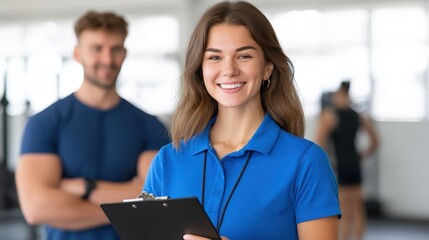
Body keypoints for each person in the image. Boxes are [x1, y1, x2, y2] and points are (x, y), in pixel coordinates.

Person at [143, 1, 341, 239]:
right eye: (215, 57)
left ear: (267, 67)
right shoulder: (168, 161)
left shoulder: (306, 161)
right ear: (200, 69)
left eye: (244, 56)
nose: (229, 70)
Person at [15, 11, 170, 240]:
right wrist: (126, 206)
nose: (107, 59)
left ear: (124, 54)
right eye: (97, 49)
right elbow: (36, 209)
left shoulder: (150, 125)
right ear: (78, 53)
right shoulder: (44, 123)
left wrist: (83, 188)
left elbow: (156, 200)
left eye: (115, 49)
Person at [314, 81, 379, 240]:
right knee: (357, 209)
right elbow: (375, 140)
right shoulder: (357, 115)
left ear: (339, 94)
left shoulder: (330, 115)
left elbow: (318, 145)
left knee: (342, 211)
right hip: (355, 165)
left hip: (341, 166)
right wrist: (362, 154)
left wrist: (325, 163)